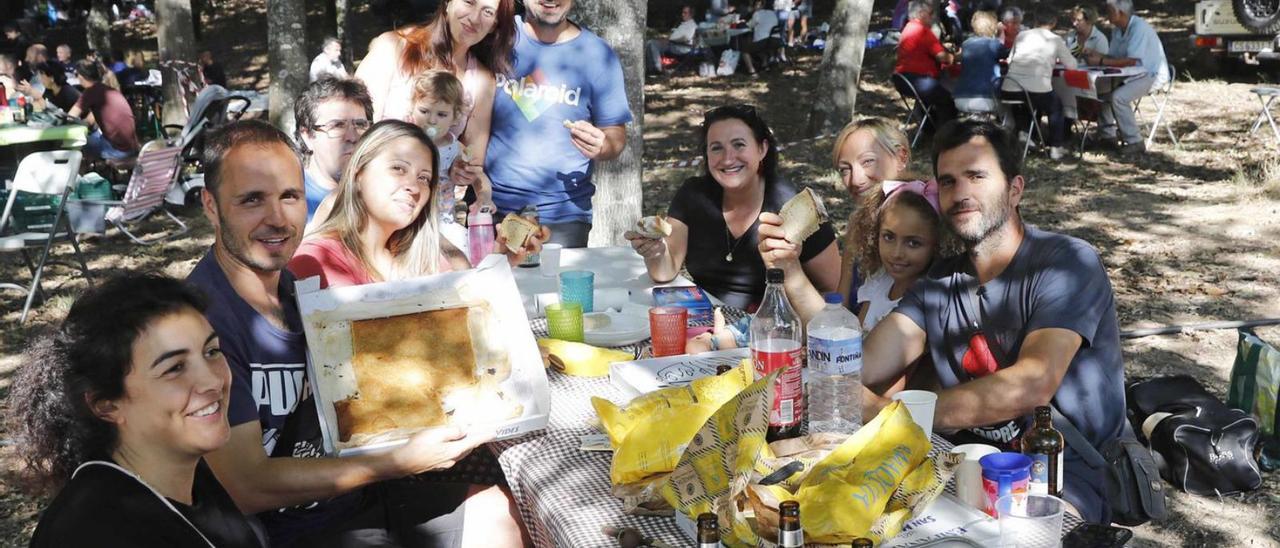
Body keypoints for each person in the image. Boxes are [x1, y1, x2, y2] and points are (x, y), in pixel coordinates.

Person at [187, 119, 526, 548]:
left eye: (289, 197)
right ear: (211, 205)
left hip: (353, 497)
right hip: (287, 531)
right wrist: (396, 461)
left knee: (504, 513)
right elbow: (246, 486)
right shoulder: (202, 323)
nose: (276, 218)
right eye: (252, 200)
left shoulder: (300, 294)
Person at [861, 119, 1124, 524]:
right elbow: (867, 362)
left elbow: (1030, 386)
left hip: (1059, 469)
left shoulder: (1067, 263)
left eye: (976, 176)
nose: (960, 193)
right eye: (948, 181)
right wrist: (791, 274)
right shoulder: (938, 282)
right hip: (962, 461)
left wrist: (893, 414)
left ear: (1015, 189)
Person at [9, 274, 263, 547]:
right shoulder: (95, 533)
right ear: (106, 405)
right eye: (175, 368)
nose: (213, 381)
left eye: (211, 351)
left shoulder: (184, 472)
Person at [624, 105, 839, 311]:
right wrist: (656, 252)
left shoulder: (793, 205)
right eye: (716, 148)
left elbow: (834, 289)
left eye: (739, 145)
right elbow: (665, 271)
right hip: (705, 322)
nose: (728, 158)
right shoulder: (692, 195)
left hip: (771, 331)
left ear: (762, 149)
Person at [485, 0, 632, 248]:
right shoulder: (493, 38)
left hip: (563, 215)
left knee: (556, 288)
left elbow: (616, 136)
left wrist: (603, 145)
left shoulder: (597, 54)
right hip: (491, 207)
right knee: (492, 287)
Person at [758, 117, 924, 323]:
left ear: (901, 157)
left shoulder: (926, 223)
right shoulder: (857, 228)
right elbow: (838, 321)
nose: (855, 180)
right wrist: (789, 265)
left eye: (868, 161)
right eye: (845, 169)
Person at [849, 179, 954, 330]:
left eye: (913, 243)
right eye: (889, 237)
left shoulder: (931, 302)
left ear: (937, 245)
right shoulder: (879, 279)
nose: (897, 253)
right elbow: (857, 337)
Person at [409, 70, 493, 241]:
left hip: (444, 224)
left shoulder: (456, 147)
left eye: (441, 114)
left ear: (455, 117)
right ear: (412, 107)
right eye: (424, 111)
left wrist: (484, 198)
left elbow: (478, 175)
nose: (432, 120)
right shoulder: (404, 141)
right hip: (410, 224)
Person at [1086, 0, 1169, 156]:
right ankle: (1107, 136)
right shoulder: (1117, 30)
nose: (1107, 14)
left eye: (1110, 11)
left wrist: (1101, 61)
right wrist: (1098, 56)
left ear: (1121, 13)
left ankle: (1135, 141)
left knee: (1118, 97)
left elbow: (1131, 60)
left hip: (1151, 74)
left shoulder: (1139, 28)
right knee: (1102, 92)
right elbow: (1115, 57)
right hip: (1130, 74)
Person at [294, 77, 373, 225]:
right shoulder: (287, 199)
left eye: (360, 124)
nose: (352, 136)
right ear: (307, 136)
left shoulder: (380, 194)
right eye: (337, 125)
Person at [1001, 11, 1076, 160]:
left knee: (1026, 102)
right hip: (1036, 88)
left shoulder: (1021, 36)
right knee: (1056, 106)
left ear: (1035, 20)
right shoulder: (1055, 39)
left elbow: (1010, 60)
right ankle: (1056, 146)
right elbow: (1072, 66)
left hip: (1010, 88)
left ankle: (1025, 134)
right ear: (1053, 23)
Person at [893, 0, 958, 131]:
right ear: (921, 13)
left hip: (902, 80)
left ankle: (929, 131)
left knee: (929, 98)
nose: (932, 16)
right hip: (917, 79)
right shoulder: (923, 31)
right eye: (930, 13)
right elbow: (943, 58)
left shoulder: (908, 27)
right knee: (947, 100)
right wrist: (957, 57)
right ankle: (948, 135)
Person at [69, 59, 139, 160]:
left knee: (75, 142)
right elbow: (90, 120)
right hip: (132, 147)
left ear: (80, 76)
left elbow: (70, 117)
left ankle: (81, 174)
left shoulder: (90, 92)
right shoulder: (108, 90)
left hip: (117, 150)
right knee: (94, 136)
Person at [952, 11, 1007, 114]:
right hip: (987, 99)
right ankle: (1012, 128)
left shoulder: (966, 44)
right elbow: (1006, 53)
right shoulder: (994, 44)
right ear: (993, 27)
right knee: (1009, 107)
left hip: (961, 98)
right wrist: (1001, 33)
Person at [645, 5, 700, 75]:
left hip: (680, 47)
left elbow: (686, 37)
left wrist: (670, 40)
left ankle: (658, 68)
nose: (682, 14)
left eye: (685, 13)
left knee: (653, 44)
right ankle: (651, 69)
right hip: (674, 44)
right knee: (649, 43)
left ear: (691, 14)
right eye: (683, 12)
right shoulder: (685, 24)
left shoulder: (692, 25)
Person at [15, 61, 81, 112]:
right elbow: (43, 107)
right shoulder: (49, 91)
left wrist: (37, 96)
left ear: (52, 78)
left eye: (42, 75)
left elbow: (53, 111)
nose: (40, 78)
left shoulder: (69, 93)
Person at [739, 0, 781, 75]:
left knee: (744, 50)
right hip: (776, 40)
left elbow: (749, 25)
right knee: (763, 47)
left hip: (764, 41)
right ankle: (764, 65)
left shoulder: (757, 14)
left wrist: (743, 22)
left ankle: (752, 70)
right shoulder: (773, 13)